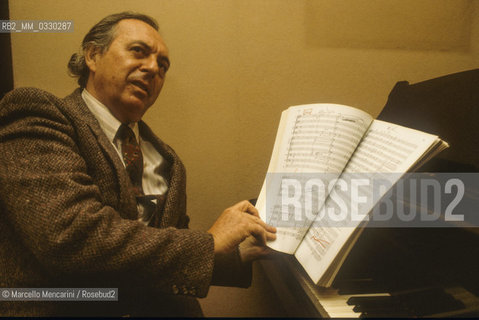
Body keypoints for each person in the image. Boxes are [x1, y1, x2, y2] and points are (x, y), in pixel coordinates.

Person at [0, 12, 276, 317]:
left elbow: (157, 257)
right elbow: (71, 237)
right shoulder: (37, 114)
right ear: (92, 55)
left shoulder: (167, 160)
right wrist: (209, 243)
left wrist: (239, 252)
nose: (152, 68)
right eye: (138, 52)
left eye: (163, 66)